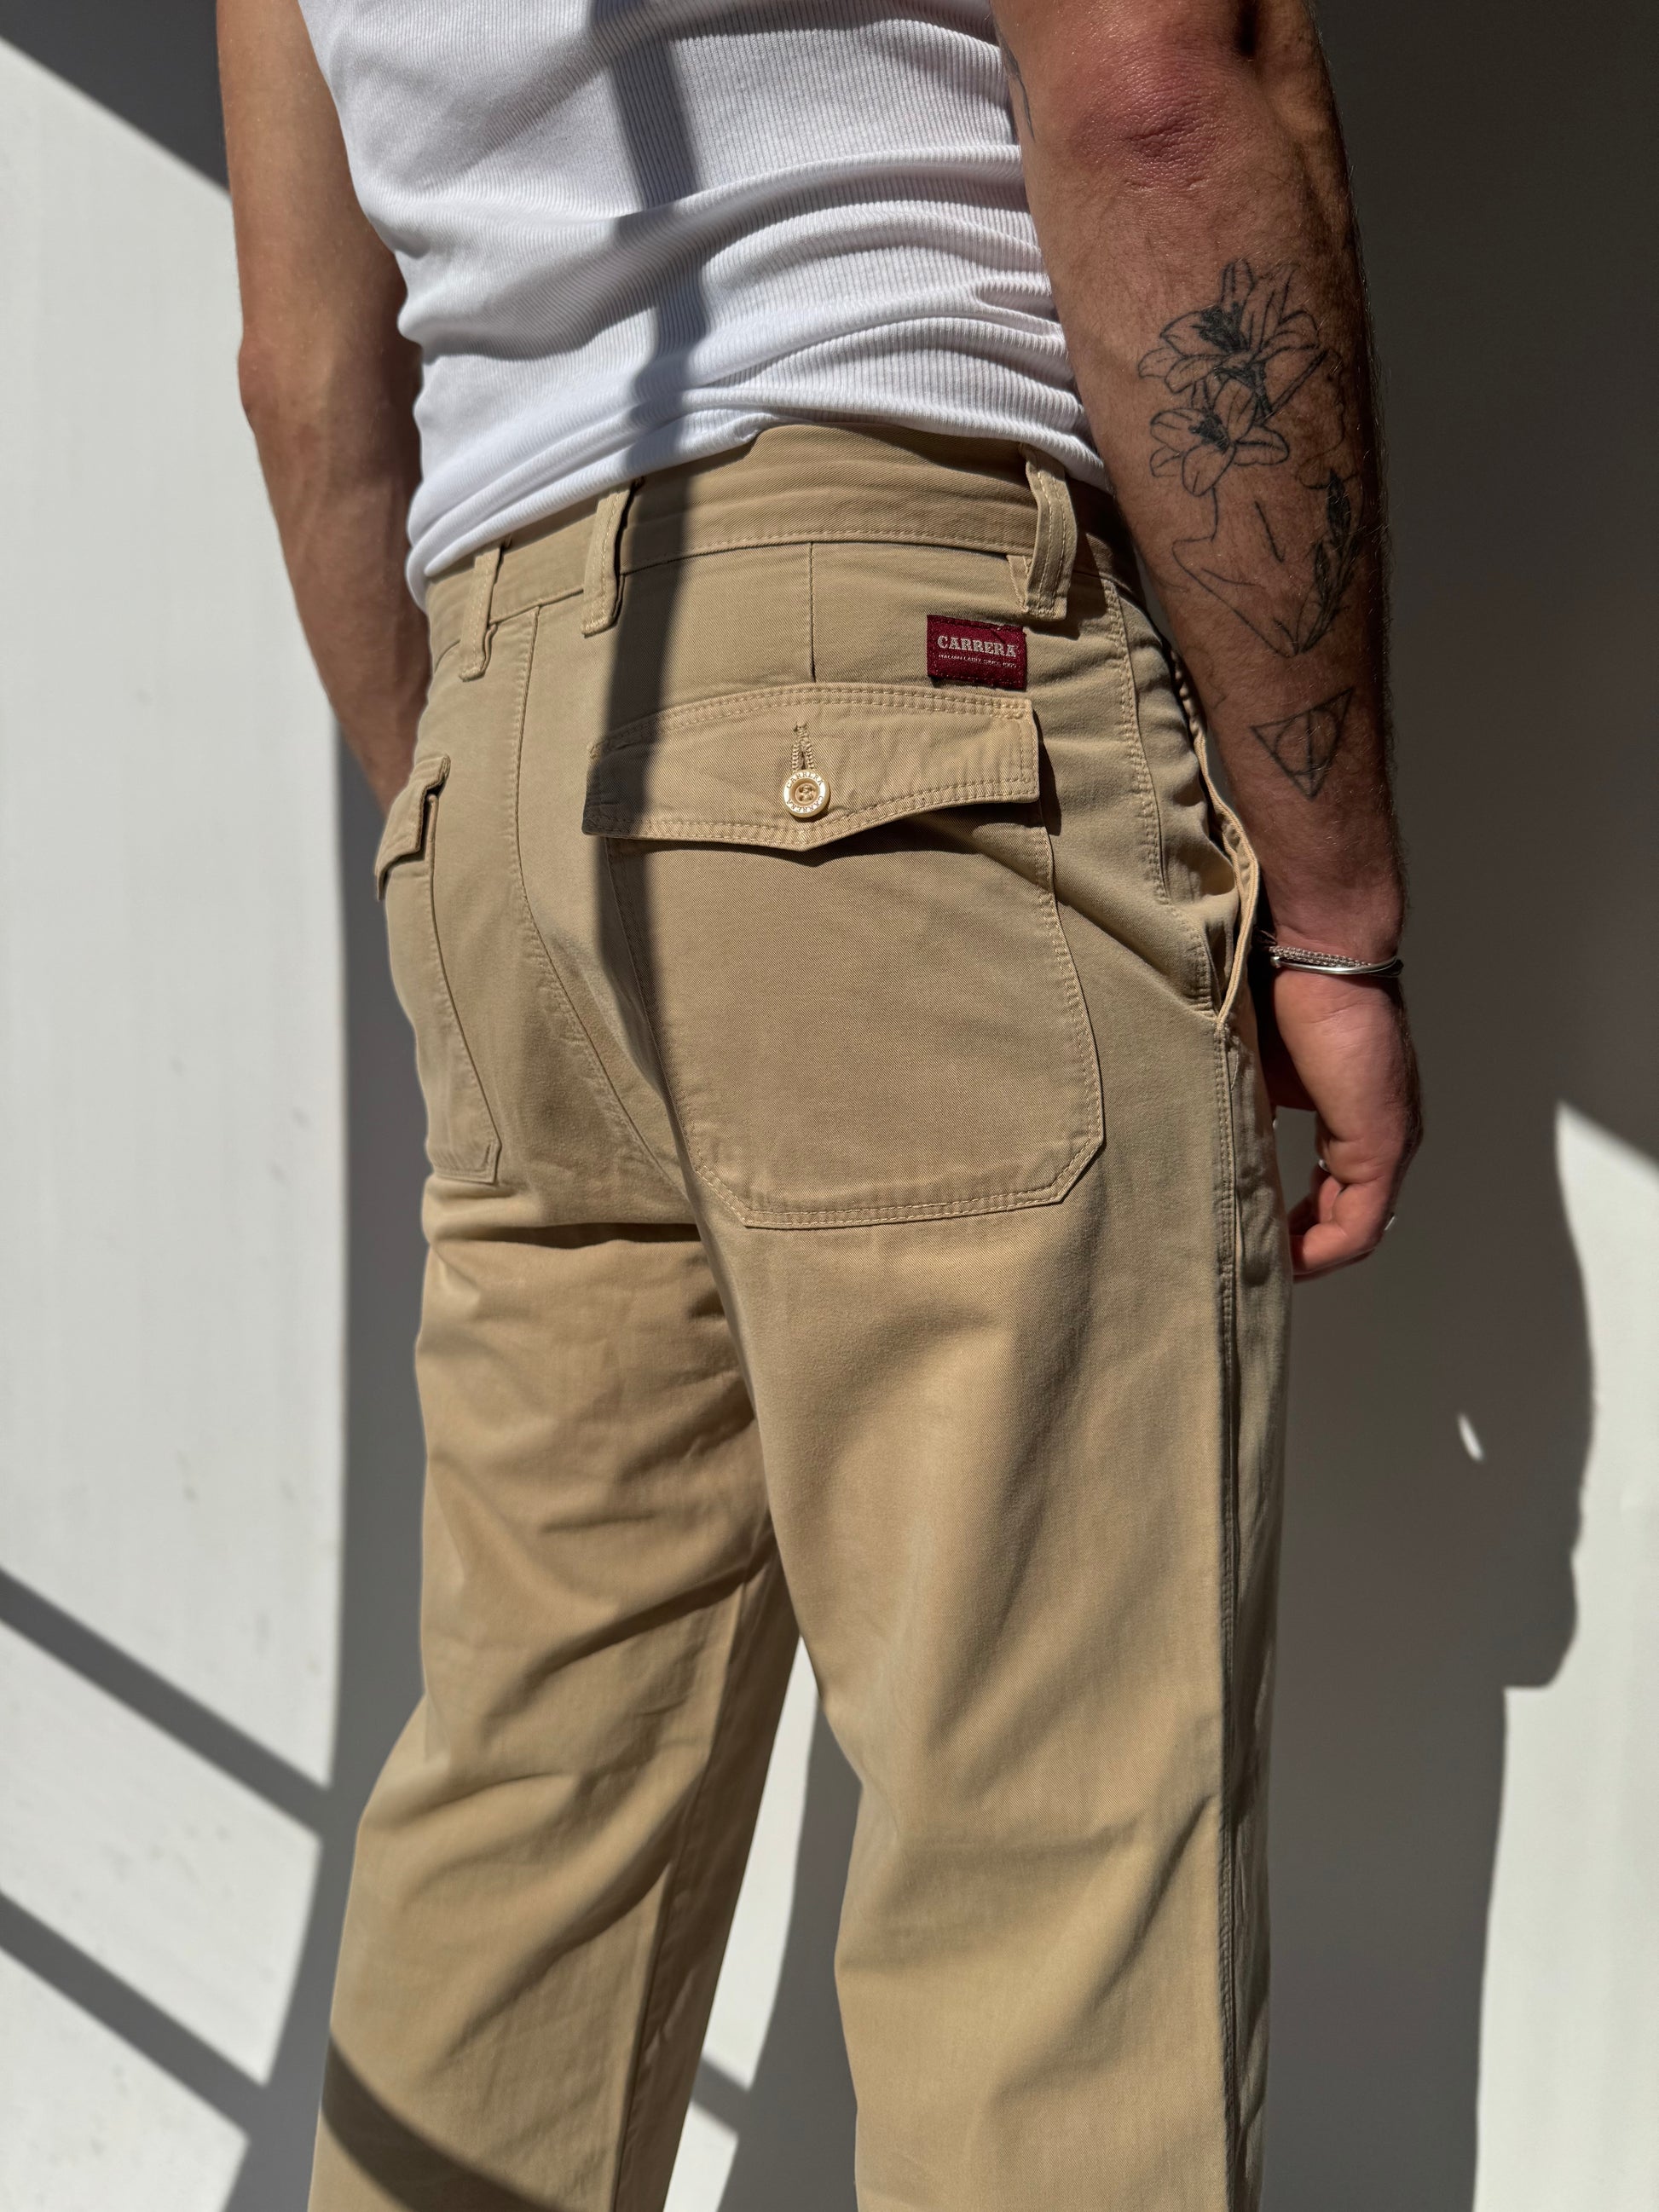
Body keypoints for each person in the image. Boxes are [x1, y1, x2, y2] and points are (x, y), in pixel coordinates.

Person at [220, 1, 1419, 2204]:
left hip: (502, 746)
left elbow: (307, 376)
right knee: (1044, 1872)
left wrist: (486, 828)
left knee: (533, 1819)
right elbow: (1158, 86)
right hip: (903, 675)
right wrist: (1330, 901)